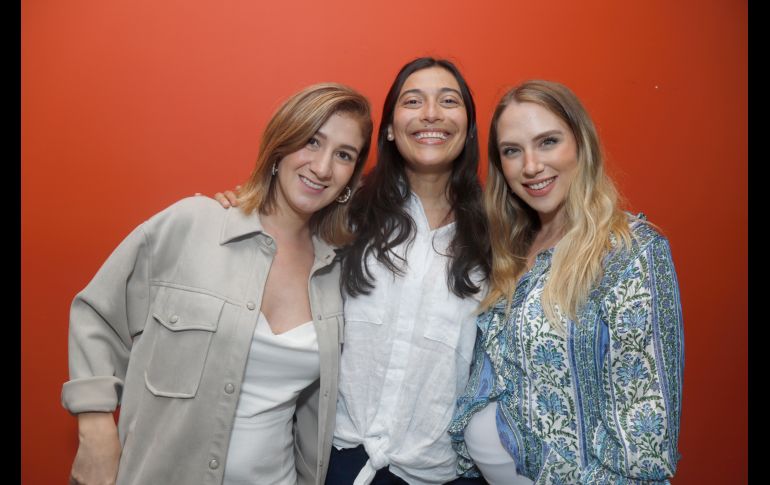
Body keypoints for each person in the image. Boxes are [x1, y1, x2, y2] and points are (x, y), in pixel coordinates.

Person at [61, 83, 374, 485]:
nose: (323, 167)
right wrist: (96, 431)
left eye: (344, 155)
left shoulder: (339, 271)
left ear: (351, 177)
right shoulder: (192, 225)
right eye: (312, 142)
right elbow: (97, 315)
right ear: (281, 146)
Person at [214, 57, 490, 485]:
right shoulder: (345, 212)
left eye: (448, 101)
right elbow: (281, 227)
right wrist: (245, 208)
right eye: (413, 101)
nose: (431, 113)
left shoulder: (499, 234)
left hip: (439, 472)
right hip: (335, 458)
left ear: (468, 128)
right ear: (390, 130)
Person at [446, 80, 684, 484]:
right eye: (512, 151)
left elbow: (646, 442)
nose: (531, 166)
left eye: (548, 142)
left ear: (581, 144)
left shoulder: (630, 252)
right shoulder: (511, 250)